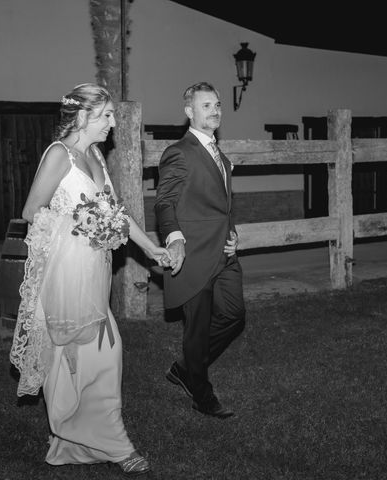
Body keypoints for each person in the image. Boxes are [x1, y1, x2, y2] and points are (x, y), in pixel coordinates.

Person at [10, 83, 169, 476]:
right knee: (87, 357)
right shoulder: (58, 155)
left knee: (91, 357)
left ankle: (72, 443)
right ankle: (116, 446)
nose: (112, 124)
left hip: (94, 271)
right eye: (106, 116)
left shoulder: (95, 155)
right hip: (64, 275)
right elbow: (31, 211)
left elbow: (114, 211)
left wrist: (151, 249)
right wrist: (82, 223)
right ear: (82, 117)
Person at [154, 81, 246, 419]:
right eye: (207, 105)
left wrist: (232, 233)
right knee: (198, 327)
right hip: (193, 254)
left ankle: (185, 369)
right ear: (189, 112)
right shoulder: (179, 152)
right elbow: (165, 202)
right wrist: (175, 237)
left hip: (224, 251)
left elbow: (221, 206)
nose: (216, 110)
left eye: (218, 105)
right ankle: (202, 395)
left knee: (234, 315)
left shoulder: (219, 155)